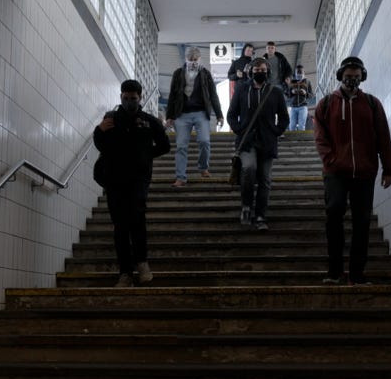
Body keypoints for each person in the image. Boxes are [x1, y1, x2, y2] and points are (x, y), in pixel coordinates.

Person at [313, 56, 391, 286]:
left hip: (365, 173)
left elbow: (383, 137)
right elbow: (320, 137)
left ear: (362, 77)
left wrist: (388, 168)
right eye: (348, 77)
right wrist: (331, 160)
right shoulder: (326, 104)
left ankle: (357, 275)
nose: (352, 80)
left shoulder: (372, 104)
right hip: (335, 172)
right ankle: (335, 272)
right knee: (334, 214)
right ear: (341, 76)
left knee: (362, 223)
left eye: (356, 77)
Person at [94, 80, 171, 287]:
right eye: (126, 98)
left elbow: (165, 146)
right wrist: (99, 130)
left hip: (138, 178)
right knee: (120, 225)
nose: (129, 102)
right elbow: (100, 144)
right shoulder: (110, 119)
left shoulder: (149, 121)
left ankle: (142, 263)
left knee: (136, 218)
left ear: (140, 97)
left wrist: (145, 156)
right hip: (114, 178)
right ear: (121, 97)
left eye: (133, 99)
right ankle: (125, 272)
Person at [226, 58, 289, 231]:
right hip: (247, 141)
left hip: (267, 142)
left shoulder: (275, 92)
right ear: (251, 71)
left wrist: (276, 131)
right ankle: (246, 206)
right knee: (248, 169)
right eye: (256, 69)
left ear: (267, 72)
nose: (259, 72)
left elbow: (284, 117)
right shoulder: (241, 89)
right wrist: (239, 129)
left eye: (262, 69)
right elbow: (231, 114)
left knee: (265, 179)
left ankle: (261, 215)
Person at [165, 46, 225, 187]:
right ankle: (181, 177)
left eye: (195, 59)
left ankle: (203, 167)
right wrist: (169, 116)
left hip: (200, 113)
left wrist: (219, 115)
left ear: (199, 59)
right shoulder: (178, 73)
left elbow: (213, 95)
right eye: (190, 59)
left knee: (204, 141)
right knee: (181, 146)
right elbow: (172, 95)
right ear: (185, 59)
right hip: (182, 114)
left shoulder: (205, 74)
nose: (193, 62)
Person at [286, 64, 314, 131]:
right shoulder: (292, 82)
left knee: (301, 126)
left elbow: (311, 95)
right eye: (297, 73)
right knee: (292, 126)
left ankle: (301, 141)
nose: (299, 74)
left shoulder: (307, 82)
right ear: (295, 73)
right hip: (293, 107)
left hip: (303, 106)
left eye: (300, 72)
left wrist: (305, 93)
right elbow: (287, 94)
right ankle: (293, 141)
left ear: (303, 72)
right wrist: (292, 92)